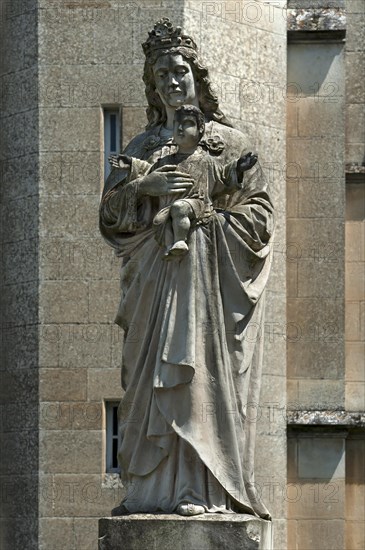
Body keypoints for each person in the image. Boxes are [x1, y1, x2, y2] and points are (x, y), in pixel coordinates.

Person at [100, 18, 274, 518]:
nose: (172, 82)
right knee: (148, 378)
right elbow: (109, 216)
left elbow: (260, 215)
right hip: (152, 287)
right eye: (161, 76)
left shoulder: (231, 144)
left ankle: (205, 486)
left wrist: (206, 217)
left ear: (196, 75)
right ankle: (151, 490)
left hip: (207, 289)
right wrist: (142, 190)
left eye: (179, 71)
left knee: (199, 376)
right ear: (153, 88)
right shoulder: (140, 149)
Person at [110, 104, 259, 260]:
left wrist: (238, 168)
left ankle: (180, 242)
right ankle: (171, 248)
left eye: (187, 123)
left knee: (179, 208)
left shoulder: (207, 161)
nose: (180, 128)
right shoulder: (166, 161)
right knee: (159, 220)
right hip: (168, 212)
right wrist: (132, 164)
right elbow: (149, 170)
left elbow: (223, 178)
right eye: (177, 123)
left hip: (198, 208)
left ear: (200, 129)